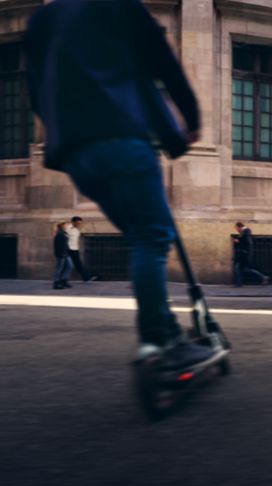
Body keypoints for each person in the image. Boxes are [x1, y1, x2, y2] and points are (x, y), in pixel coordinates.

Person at [25, 0, 226, 369]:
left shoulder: (42, 20)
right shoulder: (119, 6)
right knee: (152, 239)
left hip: (77, 156)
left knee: (141, 237)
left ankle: (161, 327)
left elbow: (36, 93)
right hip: (122, 141)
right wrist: (191, 121)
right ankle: (159, 340)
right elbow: (163, 63)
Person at [233, 222, 269, 287]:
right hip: (244, 254)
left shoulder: (246, 231)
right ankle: (239, 283)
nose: (236, 230)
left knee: (239, 268)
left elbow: (247, 242)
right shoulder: (245, 232)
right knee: (242, 269)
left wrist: (238, 241)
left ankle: (239, 283)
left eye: (236, 228)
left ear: (239, 227)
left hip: (245, 254)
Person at [67, 216, 97, 282]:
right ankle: (61, 279)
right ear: (73, 222)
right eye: (77, 223)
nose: (78, 224)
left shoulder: (77, 230)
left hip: (75, 250)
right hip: (68, 249)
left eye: (80, 223)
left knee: (78, 264)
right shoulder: (67, 229)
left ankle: (86, 277)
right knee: (67, 265)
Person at [52, 221, 73, 290]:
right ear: (63, 226)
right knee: (59, 268)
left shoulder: (65, 233)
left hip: (66, 254)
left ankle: (64, 280)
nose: (69, 226)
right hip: (61, 254)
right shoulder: (59, 234)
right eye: (67, 225)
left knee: (70, 266)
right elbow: (57, 245)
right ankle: (56, 283)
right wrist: (60, 254)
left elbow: (66, 244)